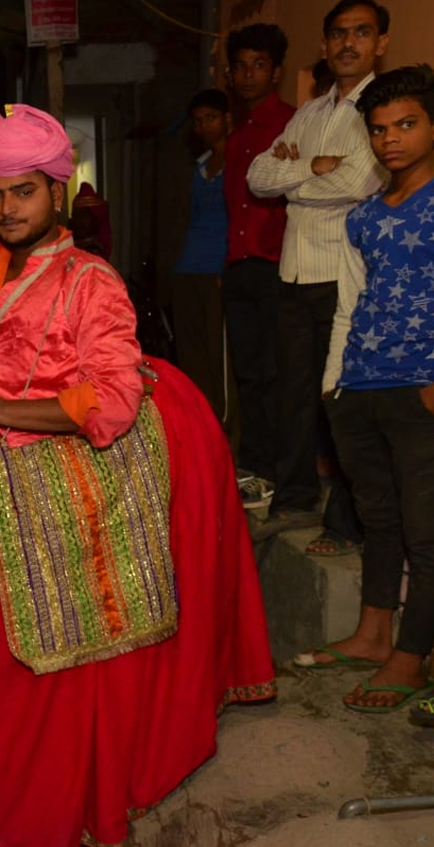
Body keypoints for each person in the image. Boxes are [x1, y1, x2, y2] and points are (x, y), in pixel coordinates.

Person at [0, 104, 274, 847]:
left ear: (57, 193)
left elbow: (114, 397)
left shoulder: (91, 280)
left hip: (64, 438)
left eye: (25, 192)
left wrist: (3, 407)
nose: (8, 209)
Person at [293, 65, 434, 716]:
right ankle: (374, 633)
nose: (390, 140)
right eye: (378, 130)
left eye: (406, 124)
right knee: (379, 521)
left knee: (425, 532)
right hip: (359, 385)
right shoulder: (365, 216)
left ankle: (412, 653)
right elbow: (350, 305)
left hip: (419, 390)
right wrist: (334, 385)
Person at [247, 0, 387, 551]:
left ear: (379, 44)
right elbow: (258, 176)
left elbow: (357, 183)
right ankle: (295, 498)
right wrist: (309, 166)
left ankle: (346, 522)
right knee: (293, 394)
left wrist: (292, 178)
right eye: (338, 34)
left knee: (342, 400)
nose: (348, 43)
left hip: (345, 274)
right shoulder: (308, 113)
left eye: (361, 33)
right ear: (324, 45)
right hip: (295, 271)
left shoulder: (380, 109)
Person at [222, 22, 297, 506]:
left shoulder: (294, 125)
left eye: (259, 65)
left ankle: (279, 472)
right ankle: (253, 467)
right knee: (247, 373)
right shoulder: (238, 136)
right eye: (241, 66)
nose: (249, 75)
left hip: (278, 266)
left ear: (276, 72)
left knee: (276, 373)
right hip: (239, 267)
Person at [172, 88, 233, 423]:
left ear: (227, 119)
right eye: (198, 121)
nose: (204, 126)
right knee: (191, 355)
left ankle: (225, 428)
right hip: (188, 268)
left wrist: (228, 267)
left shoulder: (240, 163)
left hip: (218, 269)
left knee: (218, 356)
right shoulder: (198, 168)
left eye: (211, 118)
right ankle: (201, 423)